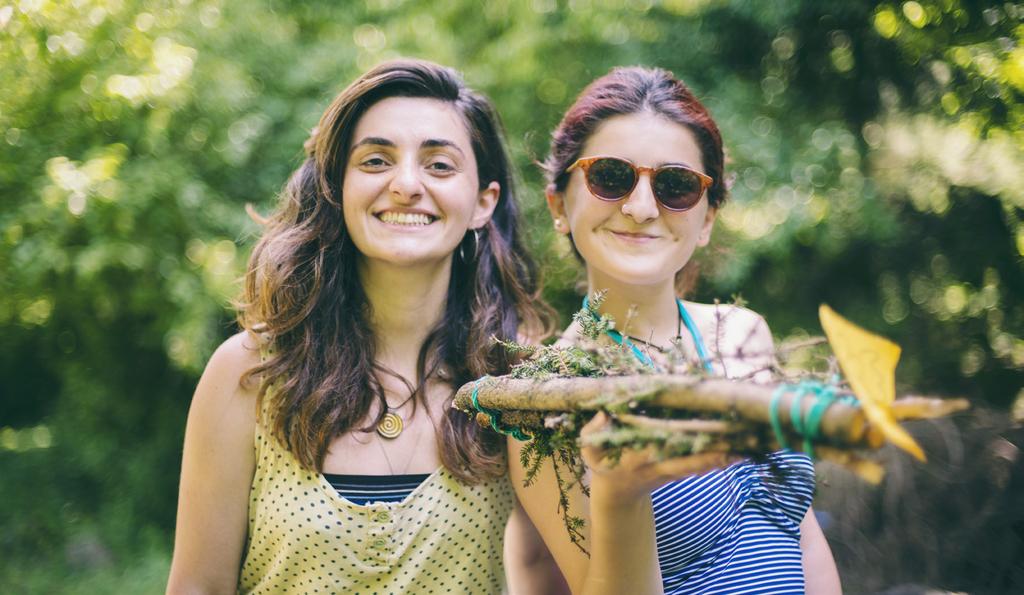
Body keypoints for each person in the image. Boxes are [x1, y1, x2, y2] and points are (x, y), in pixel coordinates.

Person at [166, 58, 556, 594]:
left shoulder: (520, 384)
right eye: (376, 160)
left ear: (482, 203)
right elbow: (197, 588)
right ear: (337, 187)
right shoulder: (249, 374)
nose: (405, 185)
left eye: (439, 165)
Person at [507, 66, 843, 595]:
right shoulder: (545, 400)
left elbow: (800, 538)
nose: (641, 208)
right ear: (558, 205)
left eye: (677, 185)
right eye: (611, 177)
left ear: (707, 219)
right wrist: (622, 494)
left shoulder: (743, 332)